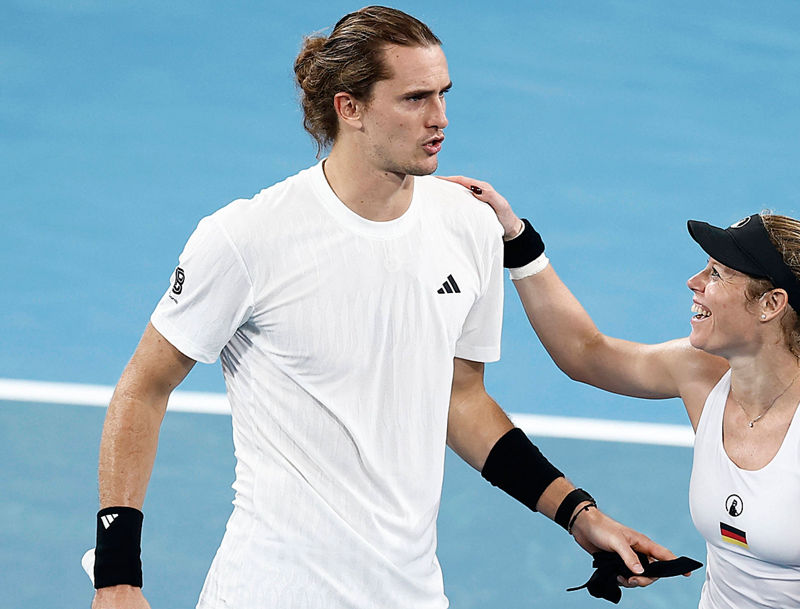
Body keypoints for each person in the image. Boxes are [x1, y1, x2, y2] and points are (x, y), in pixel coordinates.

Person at [91, 7, 677, 609]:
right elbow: (143, 388)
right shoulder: (245, 238)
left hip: (410, 593)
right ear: (350, 108)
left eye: (444, 94)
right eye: (415, 98)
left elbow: (460, 400)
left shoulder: (471, 228)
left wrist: (577, 512)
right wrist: (116, 575)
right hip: (271, 590)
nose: (440, 118)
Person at [440, 175, 800, 608]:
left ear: (771, 304)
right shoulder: (700, 374)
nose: (694, 282)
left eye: (717, 273)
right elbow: (585, 354)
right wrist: (517, 239)